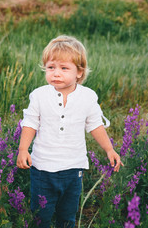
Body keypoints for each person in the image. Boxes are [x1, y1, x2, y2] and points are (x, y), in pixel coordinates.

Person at [16, 35, 123, 228]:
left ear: (79, 72)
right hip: (42, 168)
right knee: (41, 217)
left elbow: (95, 125)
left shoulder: (88, 97)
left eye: (64, 68)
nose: (56, 73)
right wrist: (23, 149)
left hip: (73, 169)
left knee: (67, 217)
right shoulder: (39, 95)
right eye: (51, 67)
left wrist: (109, 149)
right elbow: (30, 123)